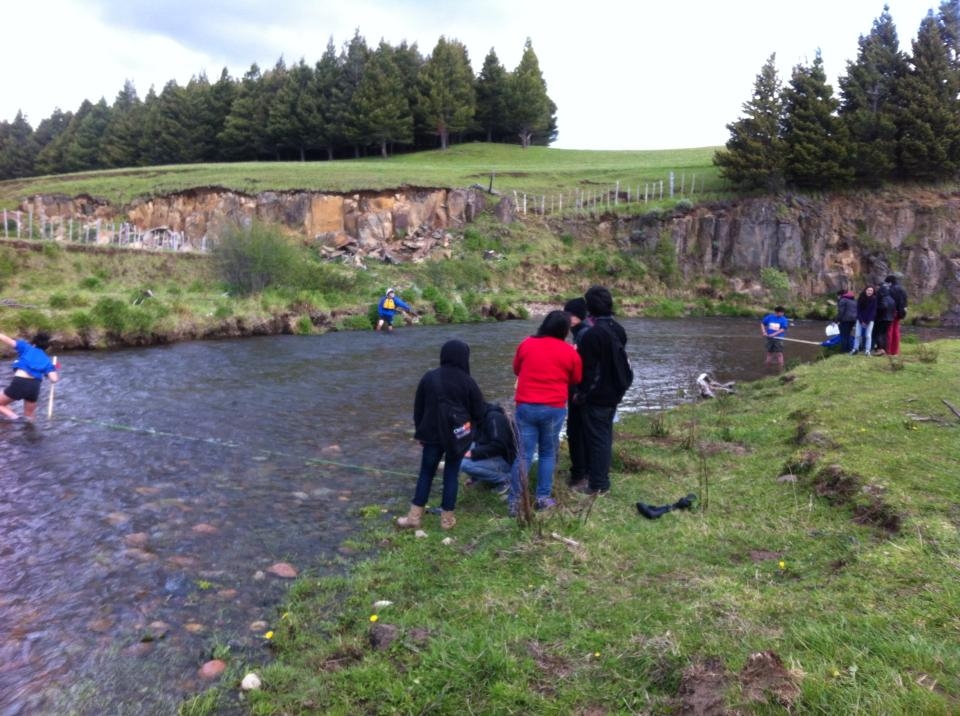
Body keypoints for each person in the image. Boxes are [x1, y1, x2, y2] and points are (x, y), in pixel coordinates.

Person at [397, 339, 485, 531]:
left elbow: (418, 408)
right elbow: (479, 412)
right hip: (457, 437)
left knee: (426, 474)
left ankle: (414, 518)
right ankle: (447, 521)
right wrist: (470, 433)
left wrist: (420, 432)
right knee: (451, 475)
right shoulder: (468, 381)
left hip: (431, 435)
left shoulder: (429, 377)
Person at [510, 310, 583, 512]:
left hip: (525, 405)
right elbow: (576, 378)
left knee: (523, 454)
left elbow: (517, 369)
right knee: (547, 454)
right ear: (564, 330)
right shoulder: (570, 352)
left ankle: (516, 502)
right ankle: (542, 498)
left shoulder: (526, 344)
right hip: (553, 407)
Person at [573, 286, 629, 496]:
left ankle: (598, 484)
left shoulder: (592, 335)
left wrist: (581, 394)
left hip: (596, 395)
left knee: (597, 438)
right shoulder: (619, 329)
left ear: (589, 308)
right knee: (604, 436)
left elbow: (589, 371)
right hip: (614, 392)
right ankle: (600, 479)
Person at [0, 331, 60, 422]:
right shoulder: (47, 360)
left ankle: (15, 419)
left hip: (20, 383)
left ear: (34, 343)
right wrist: (53, 368)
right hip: (35, 387)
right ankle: (28, 429)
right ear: (46, 347)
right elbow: (54, 379)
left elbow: (6, 339)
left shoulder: (26, 347)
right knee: (29, 417)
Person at [563, 297, 590, 488]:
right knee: (581, 432)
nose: (566, 318)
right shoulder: (581, 332)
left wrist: (578, 392)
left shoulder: (583, 334)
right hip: (582, 392)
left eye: (569, 314)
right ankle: (583, 471)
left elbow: (583, 368)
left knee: (576, 432)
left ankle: (580, 474)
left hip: (579, 393)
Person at [460, 402, 517, 493]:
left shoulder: (495, 418)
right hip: (495, 455)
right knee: (462, 448)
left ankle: (507, 480)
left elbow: (499, 446)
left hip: (507, 459)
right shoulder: (478, 418)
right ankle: (479, 477)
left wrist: (473, 453)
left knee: (464, 464)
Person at [850, 285, 877, 355]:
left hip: (870, 321)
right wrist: (861, 321)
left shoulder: (874, 299)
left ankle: (867, 351)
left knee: (868, 335)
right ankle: (855, 349)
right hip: (860, 320)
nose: (869, 292)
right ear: (865, 290)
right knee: (857, 335)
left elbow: (873, 312)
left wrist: (867, 322)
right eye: (868, 290)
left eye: (871, 291)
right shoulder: (861, 298)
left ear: (873, 292)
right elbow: (858, 311)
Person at [885, 275, 908, 356]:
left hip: (891, 312)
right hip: (900, 312)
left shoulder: (890, 289)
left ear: (890, 282)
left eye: (887, 282)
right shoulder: (902, 289)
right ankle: (895, 351)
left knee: (889, 331)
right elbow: (905, 302)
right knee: (896, 331)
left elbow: (889, 302)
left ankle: (888, 350)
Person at [874, 284, 895, 356]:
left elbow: (883, 307)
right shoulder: (892, 299)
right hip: (890, 319)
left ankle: (880, 349)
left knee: (879, 333)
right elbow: (894, 309)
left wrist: (877, 312)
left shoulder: (882, 298)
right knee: (885, 334)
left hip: (882, 318)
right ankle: (885, 349)